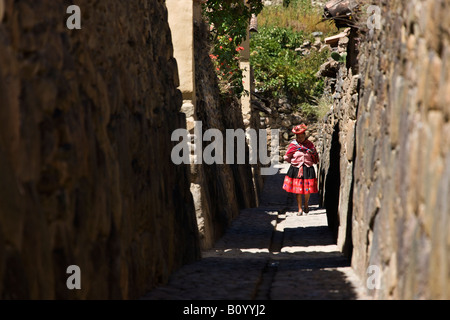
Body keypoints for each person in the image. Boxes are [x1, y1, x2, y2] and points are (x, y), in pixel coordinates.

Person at [282, 124, 319, 215]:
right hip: (296, 169)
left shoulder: (310, 145)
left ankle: (306, 203)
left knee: (307, 189)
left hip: (308, 168)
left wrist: (311, 154)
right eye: (299, 137)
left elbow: (315, 155)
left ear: (305, 136)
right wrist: (294, 162)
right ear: (296, 137)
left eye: (302, 136)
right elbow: (287, 156)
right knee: (298, 190)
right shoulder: (293, 145)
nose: (300, 138)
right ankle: (299, 209)